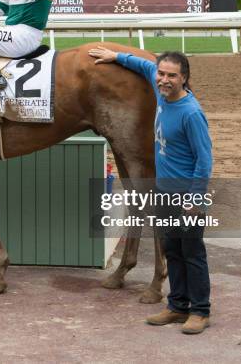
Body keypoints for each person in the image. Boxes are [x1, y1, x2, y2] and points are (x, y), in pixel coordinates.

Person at [89, 46, 213, 335]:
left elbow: (205, 159)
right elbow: (145, 67)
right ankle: (177, 306)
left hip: (187, 196)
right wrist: (117, 57)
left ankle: (200, 311)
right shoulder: (161, 93)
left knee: (193, 254)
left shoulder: (191, 113)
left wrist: (195, 198)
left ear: (184, 78)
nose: (164, 79)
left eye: (172, 75)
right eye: (162, 74)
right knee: (173, 251)